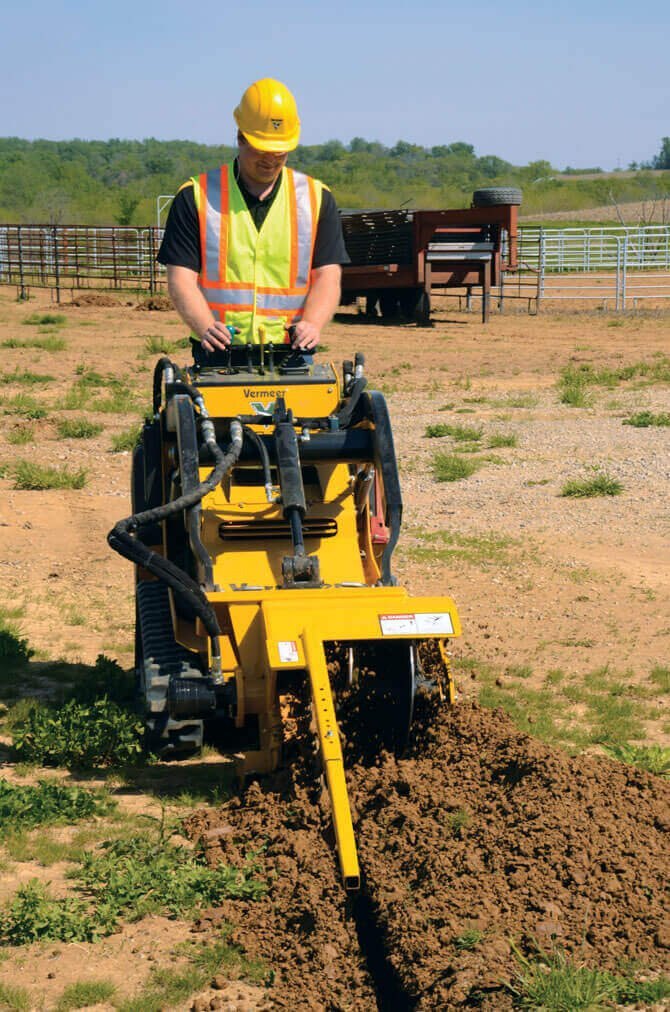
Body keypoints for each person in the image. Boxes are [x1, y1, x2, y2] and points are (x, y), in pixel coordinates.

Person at [157, 78, 349, 358]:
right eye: (262, 149)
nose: (271, 159)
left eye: (279, 151)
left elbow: (328, 276)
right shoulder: (195, 197)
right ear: (240, 137)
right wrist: (205, 326)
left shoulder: (316, 199)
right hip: (218, 350)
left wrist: (312, 324)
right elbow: (181, 278)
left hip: (291, 351)